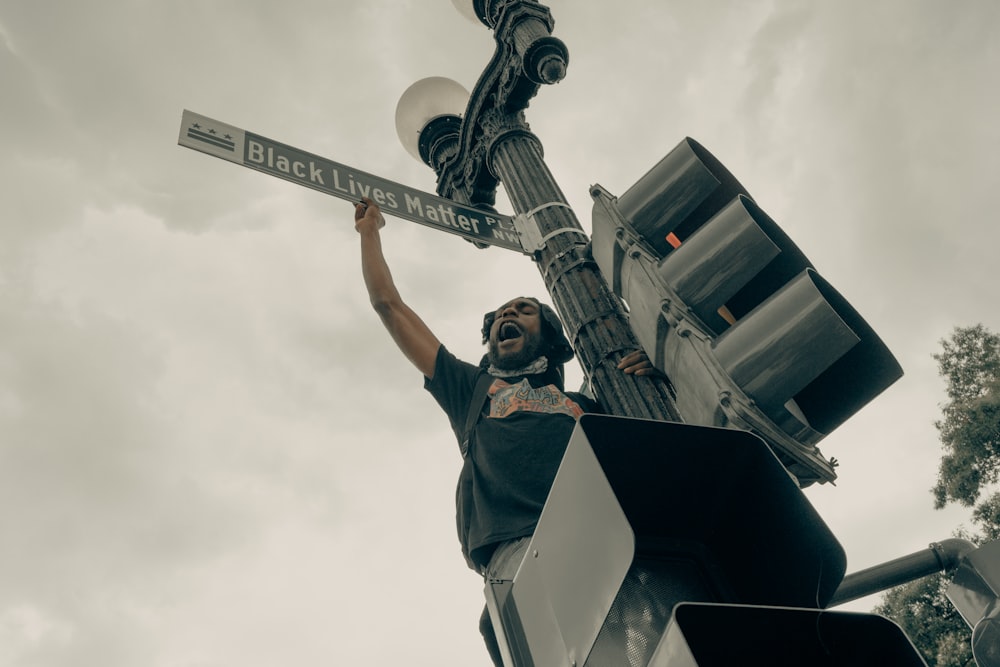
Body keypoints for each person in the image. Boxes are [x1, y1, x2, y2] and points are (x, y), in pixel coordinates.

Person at [353, 197, 659, 664]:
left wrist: (649, 376)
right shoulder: (471, 388)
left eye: (522, 309)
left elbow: (655, 459)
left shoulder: (588, 404)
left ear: (551, 336)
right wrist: (369, 232)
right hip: (518, 548)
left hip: (605, 539)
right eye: (498, 315)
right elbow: (388, 305)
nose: (505, 316)